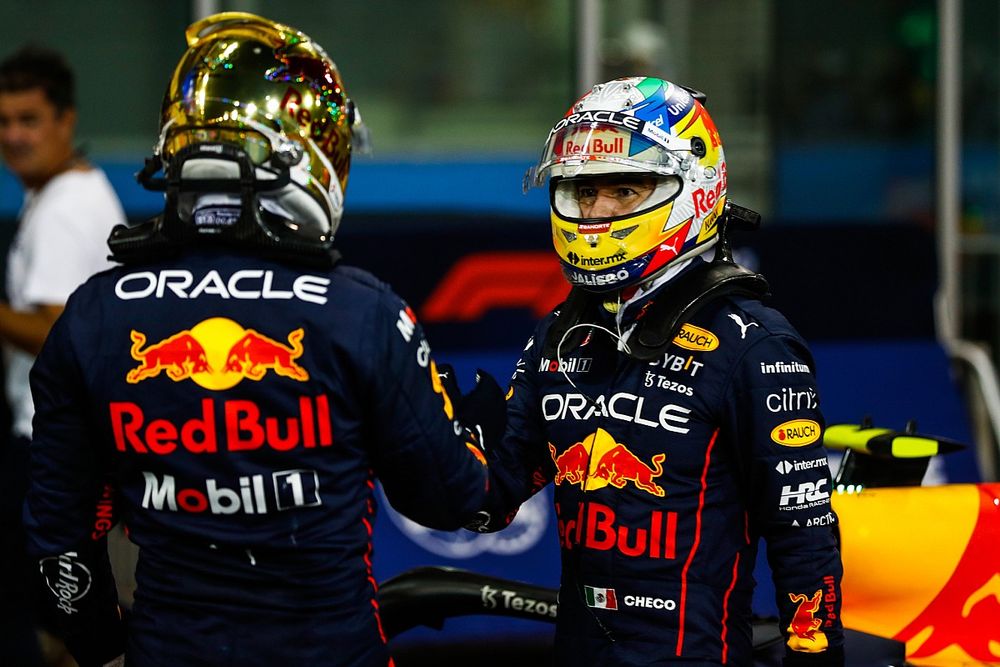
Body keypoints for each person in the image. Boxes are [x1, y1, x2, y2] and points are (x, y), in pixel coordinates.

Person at [22, 13, 491, 667]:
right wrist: (476, 438)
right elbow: (450, 500)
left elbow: (58, 544)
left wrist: (103, 645)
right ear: (297, 149)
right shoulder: (360, 309)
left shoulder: (93, 315)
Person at [471, 77, 845, 665]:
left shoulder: (754, 344)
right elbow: (488, 502)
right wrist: (438, 437)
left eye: (624, 189)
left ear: (695, 189)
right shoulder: (558, 333)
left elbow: (803, 537)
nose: (596, 211)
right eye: (581, 192)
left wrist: (816, 655)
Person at [0, 45, 127, 666]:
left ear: (66, 121)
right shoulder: (64, 194)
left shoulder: (64, 209)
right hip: (71, 446)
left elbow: (55, 337)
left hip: (56, 450)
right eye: (3, 122)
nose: (15, 136)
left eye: (29, 119)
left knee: (57, 630)